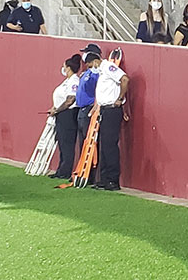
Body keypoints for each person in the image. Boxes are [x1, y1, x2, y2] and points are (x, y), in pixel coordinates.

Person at [92, 47, 129, 190]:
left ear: (95, 61)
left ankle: (113, 180)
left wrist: (120, 98)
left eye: (90, 65)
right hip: (105, 110)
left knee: (110, 145)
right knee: (104, 146)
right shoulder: (103, 71)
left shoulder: (108, 67)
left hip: (112, 110)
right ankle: (105, 178)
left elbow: (125, 79)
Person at [49, 54, 84, 180]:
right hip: (61, 114)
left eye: (64, 66)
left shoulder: (74, 81)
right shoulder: (67, 81)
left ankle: (65, 171)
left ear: (68, 68)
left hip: (68, 115)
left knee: (67, 143)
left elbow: (70, 100)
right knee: (62, 143)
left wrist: (57, 110)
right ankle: (61, 169)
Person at [72, 44, 103, 181]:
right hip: (81, 109)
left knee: (89, 142)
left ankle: (89, 174)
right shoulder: (87, 73)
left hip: (88, 109)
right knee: (83, 142)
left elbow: (94, 89)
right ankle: (82, 171)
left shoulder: (96, 74)